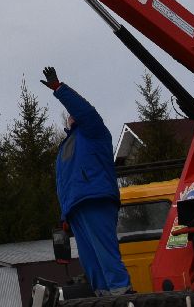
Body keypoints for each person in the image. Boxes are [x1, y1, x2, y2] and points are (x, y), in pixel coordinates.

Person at [41, 66, 132, 296]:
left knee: (106, 255)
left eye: (73, 112)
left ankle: (124, 297)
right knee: (91, 263)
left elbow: (84, 110)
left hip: (95, 198)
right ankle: (103, 297)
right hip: (76, 208)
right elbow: (64, 183)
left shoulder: (94, 130)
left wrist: (59, 89)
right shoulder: (68, 145)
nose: (70, 115)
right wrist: (65, 216)